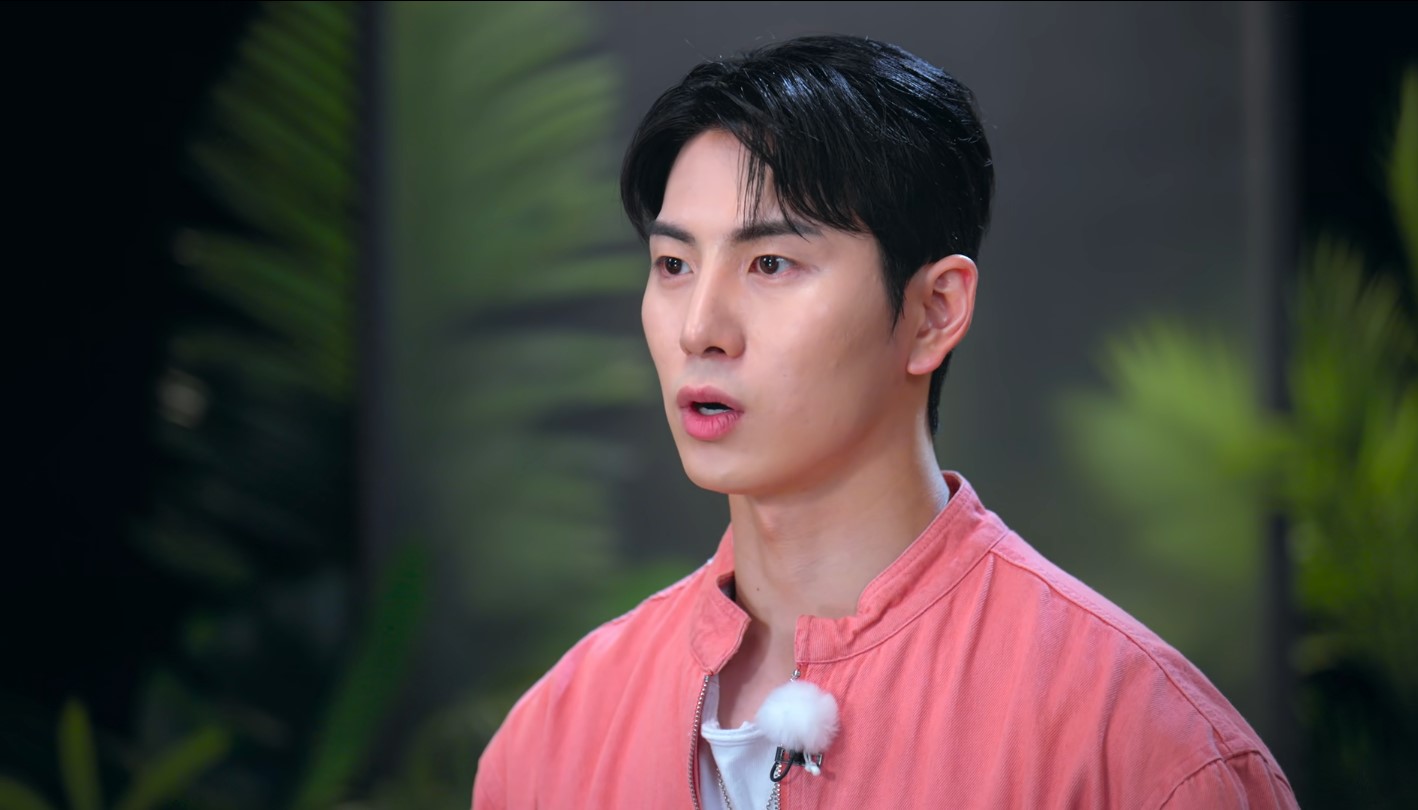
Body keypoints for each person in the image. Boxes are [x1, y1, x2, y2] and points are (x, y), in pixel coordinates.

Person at [473, 34, 1297, 809]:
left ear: (935, 311)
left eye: (770, 263)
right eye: (674, 265)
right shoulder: (553, 738)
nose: (699, 329)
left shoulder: (1143, 748)